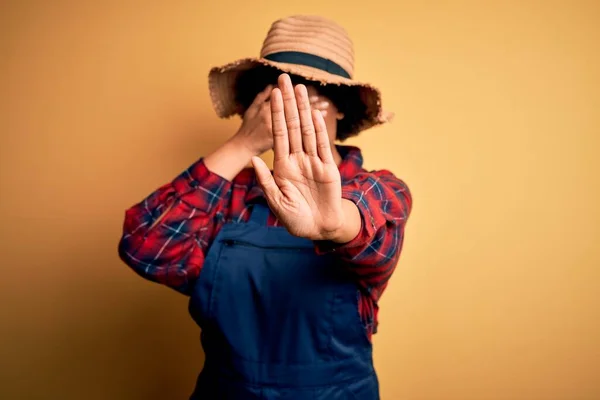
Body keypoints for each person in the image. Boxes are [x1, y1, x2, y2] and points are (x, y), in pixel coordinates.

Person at [118, 15, 412, 400]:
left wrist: (336, 223)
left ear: (341, 107)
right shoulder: (227, 197)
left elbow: (375, 238)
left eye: (315, 94)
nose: (297, 110)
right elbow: (145, 247)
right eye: (283, 95)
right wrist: (241, 145)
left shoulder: (379, 190)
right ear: (259, 104)